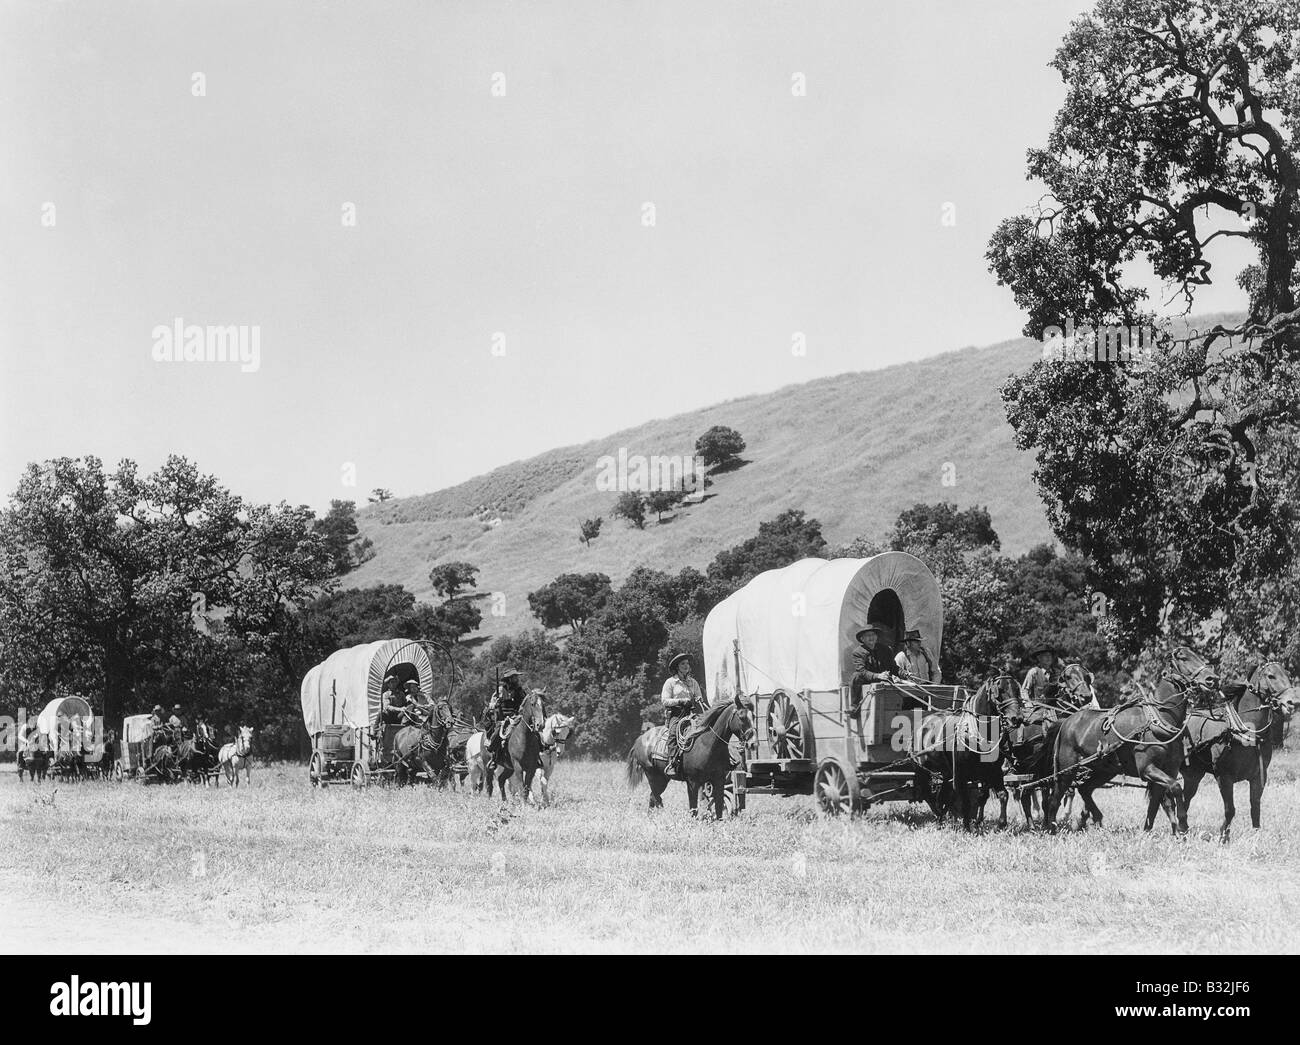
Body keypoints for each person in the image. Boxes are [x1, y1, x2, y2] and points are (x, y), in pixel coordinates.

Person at [661, 652, 704, 775]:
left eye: (687, 663)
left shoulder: (693, 682)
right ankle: (672, 763)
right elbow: (664, 700)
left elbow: (698, 695)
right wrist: (680, 700)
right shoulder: (670, 682)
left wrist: (699, 699)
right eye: (683, 664)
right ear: (677, 667)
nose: (686, 666)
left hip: (691, 713)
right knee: (674, 734)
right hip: (677, 714)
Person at [850, 624, 899, 714]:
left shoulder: (886, 649)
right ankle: (855, 706)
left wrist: (905, 674)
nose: (871, 637)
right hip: (867, 681)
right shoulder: (858, 652)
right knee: (856, 676)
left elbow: (893, 667)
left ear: (876, 637)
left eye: (873, 635)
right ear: (862, 639)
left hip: (885, 680)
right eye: (868, 636)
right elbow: (862, 671)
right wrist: (878, 676)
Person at [485, 668, 527, 773]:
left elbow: (525, 702)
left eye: (517, 677)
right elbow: (491, 705)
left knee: (531, 730)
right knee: (497, 734)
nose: (517, 679)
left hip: (517, 717)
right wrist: (495, 703)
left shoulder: (520, 690)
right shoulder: (500, 690)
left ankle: (537, 755)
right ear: (509, 679)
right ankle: (494, 758)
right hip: (503, 718)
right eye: (515, 677)